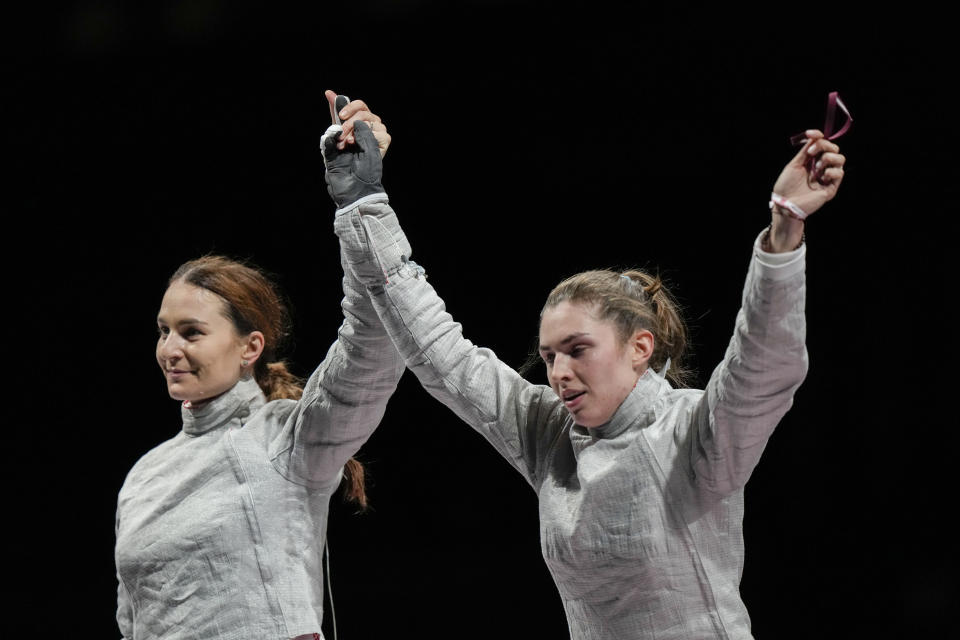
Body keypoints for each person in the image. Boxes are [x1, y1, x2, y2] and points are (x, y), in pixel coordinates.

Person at [321, 117, 845, 639]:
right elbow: (441, 352)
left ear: (640, 347)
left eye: (578, 351)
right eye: (549, 357)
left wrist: (785, 225)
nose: (559, 374)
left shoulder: (695, 431)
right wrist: (363, 201)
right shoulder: (549, 434)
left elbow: (764, 364)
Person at [114, 92, 397, 640]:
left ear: (250, 348)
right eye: (163, 331)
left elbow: (373, 343)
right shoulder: (144, 476)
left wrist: (362, 202)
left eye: (192, 332)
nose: (170, 349)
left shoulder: (287, 439)